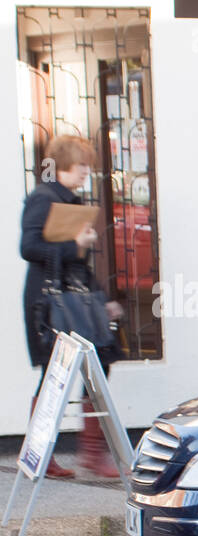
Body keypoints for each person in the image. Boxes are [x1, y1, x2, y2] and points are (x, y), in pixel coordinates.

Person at [20, 134, 124, 479]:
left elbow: (77, 263)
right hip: (49, 301)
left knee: (100, 363)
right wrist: (73, 243)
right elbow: (28, 247)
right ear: (64, 165)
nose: (86, 173)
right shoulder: (42, 198)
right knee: (54, 374)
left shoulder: (71, 201)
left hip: (76, 297)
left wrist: (103, 298)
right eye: (82, 166)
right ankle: (42, 454)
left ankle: (92, 452)